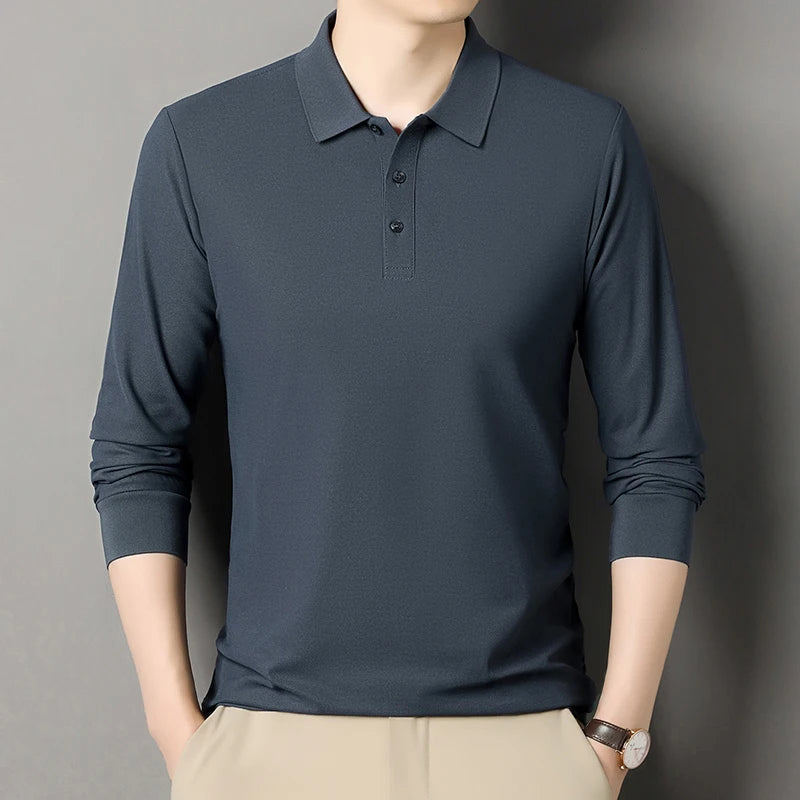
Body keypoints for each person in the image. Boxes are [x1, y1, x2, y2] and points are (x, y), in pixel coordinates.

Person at [88, 2, 707, 799]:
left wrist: (613, 739)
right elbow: (138, 447)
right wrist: (179, 735)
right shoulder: (202, 144)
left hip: (522, 747)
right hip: (270, 747)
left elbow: (656, 458)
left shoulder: (585, 143)